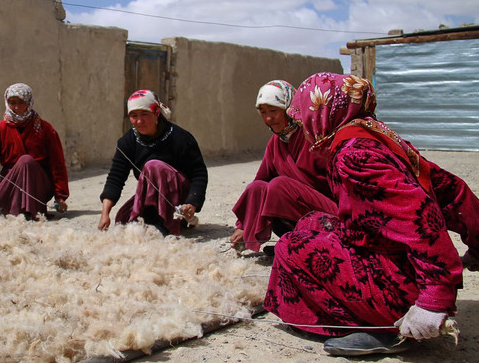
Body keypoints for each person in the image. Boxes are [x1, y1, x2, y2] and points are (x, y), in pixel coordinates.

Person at [264, 72, 479, 357]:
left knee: (290, 248)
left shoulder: (353, 154)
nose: (303, 124)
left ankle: (383, 326)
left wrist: (434, 300)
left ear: (322, 111)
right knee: (310, 222)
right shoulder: (374, 134)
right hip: (397, 259)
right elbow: (451, 188)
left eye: (304, 116)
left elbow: (420, 218)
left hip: (402, 287)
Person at [230, 80, 337, 254]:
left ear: (290, 108)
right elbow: (260, 181)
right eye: (263, 113)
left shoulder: (313, 137)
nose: (268, 119)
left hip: (330, 216)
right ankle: (295, 244)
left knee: (279, 186)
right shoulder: (275, 143)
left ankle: (316, 244)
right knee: (257, 188)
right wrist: (244, 225)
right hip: (296, 214)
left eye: (273, 111)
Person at [98, 90, 207, 236]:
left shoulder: (180, 138)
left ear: (156, 113)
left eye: (144, 114)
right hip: (152, 194)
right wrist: (105, 214)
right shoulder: (127, 143)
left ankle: (166, 221)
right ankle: (154, 217)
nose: (139, 121)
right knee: (123, 220)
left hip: (178, 197)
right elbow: (115, 178)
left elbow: (198, 173)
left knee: (153, 166)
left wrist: (191, 203)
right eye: (133, 116)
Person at [0, 83, 69, 218]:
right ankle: (15, 207)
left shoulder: (45, 129)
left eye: (21, 102)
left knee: (26, 160)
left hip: (38, 184)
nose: (17, 107)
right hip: (12, 181)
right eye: (12, 103)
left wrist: (60, 196)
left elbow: (57, 164)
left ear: (29, 102)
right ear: (7, 102)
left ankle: (29, 209)